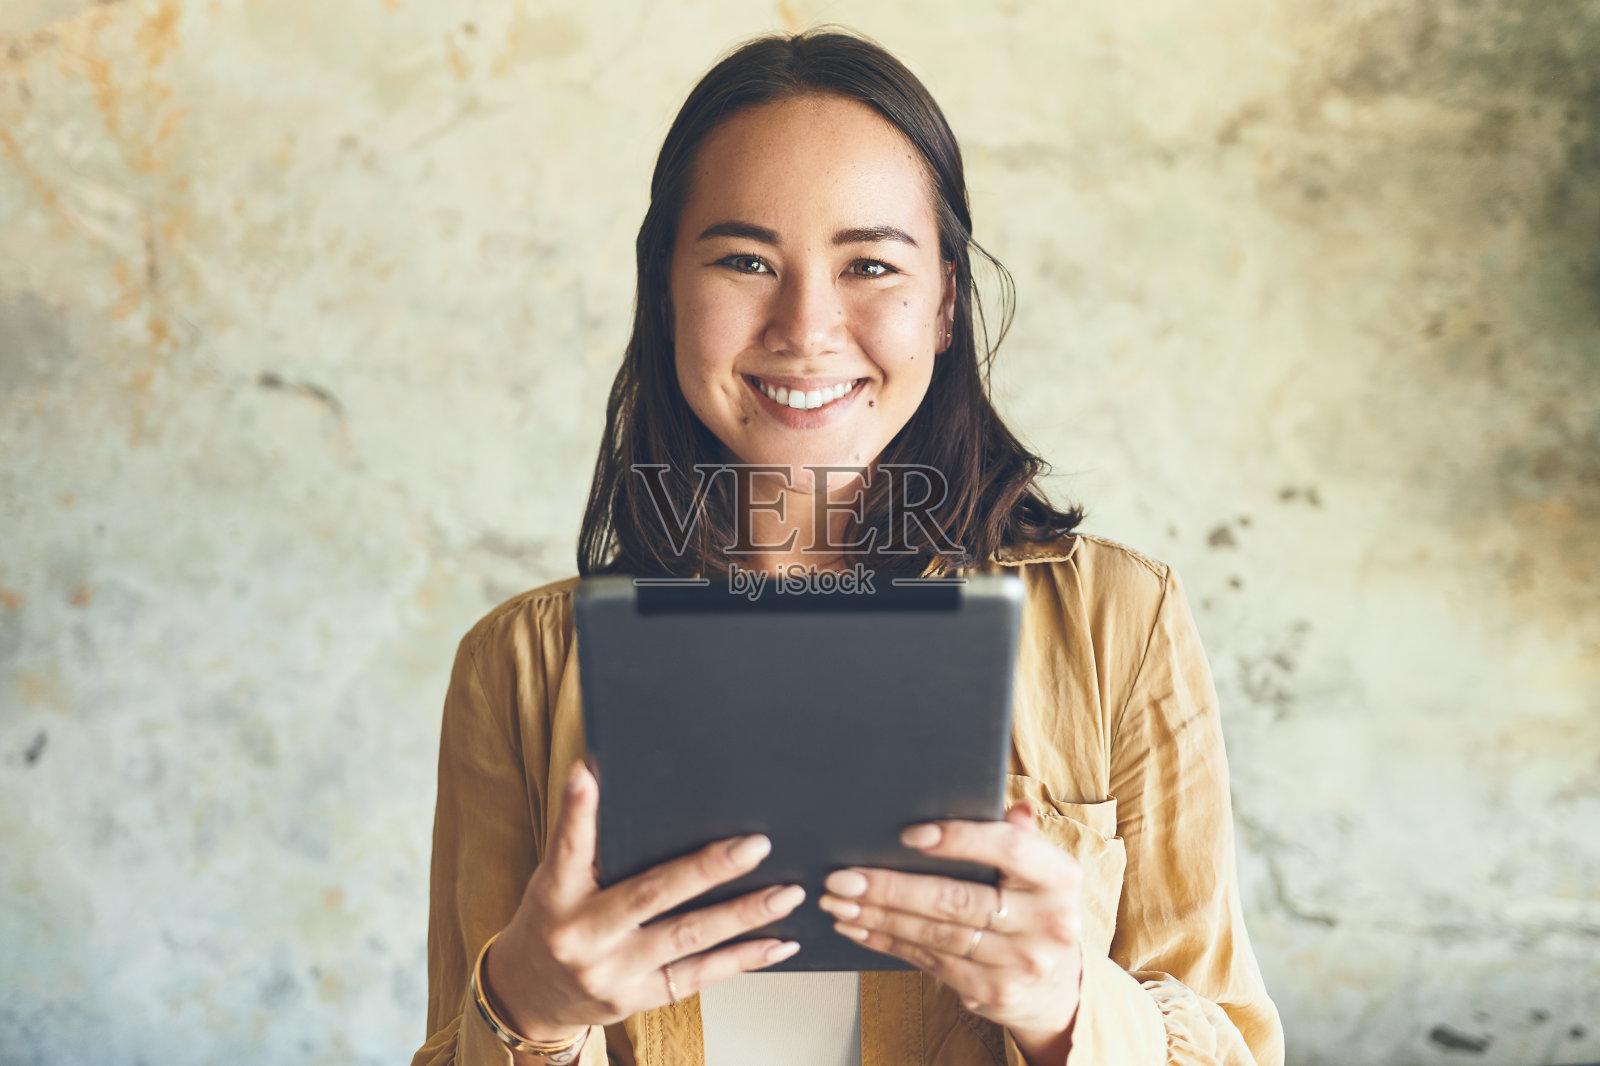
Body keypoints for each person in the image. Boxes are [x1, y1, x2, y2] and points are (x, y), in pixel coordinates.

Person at [411, 28, 1284, 1066]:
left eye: (869, 263)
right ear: (663, 292)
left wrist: (1065, 1010)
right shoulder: (515, 669)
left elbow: (1233, 1045)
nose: (806, 325)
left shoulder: (1120, 624)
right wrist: (527, 1008)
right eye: (744, 260)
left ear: (947, 301)